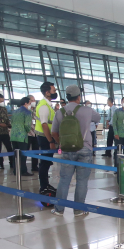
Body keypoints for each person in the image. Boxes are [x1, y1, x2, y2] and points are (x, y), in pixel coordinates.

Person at [51, 85, 100, 217]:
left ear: (67, 97)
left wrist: (61, 142)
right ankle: (78, 210)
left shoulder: (59, 112)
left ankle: (59, 209)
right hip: (84, 148)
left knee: (64, 179)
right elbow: (98, 118)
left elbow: (54, 132)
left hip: (66, 149)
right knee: (82, 181)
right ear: (79, 97)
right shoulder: (87, 110)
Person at [34, 82, 58, 191]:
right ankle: (44, 186)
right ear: (47, 92)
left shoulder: (47, 104)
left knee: (47, 162)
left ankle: (45, 184)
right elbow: (44, 125)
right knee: (44, 163)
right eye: (53, 91)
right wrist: (51, 141)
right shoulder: (44, 106)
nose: (55, 92)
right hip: (45, 138)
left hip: (46, 137)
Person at [9, 97, 34, 177]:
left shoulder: (15, 112)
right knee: (23, 155)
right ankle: (23, 170)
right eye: (30, 103)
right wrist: (27, 130)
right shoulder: (27, 112)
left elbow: (11, 122)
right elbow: (27, 125)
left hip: (13, 135)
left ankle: (15, 170)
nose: (30, 104)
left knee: (15, 154)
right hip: (22, 135)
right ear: (26, 103)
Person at [27, 94, 39, 172]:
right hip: (27, 134)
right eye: (32, 100)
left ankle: (34, 166)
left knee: (36, 151)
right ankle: (22, 167)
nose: (33, 102)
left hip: (35, 133)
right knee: (26, 150)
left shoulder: (36, 109)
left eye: (34, 100)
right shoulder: (26, 110)